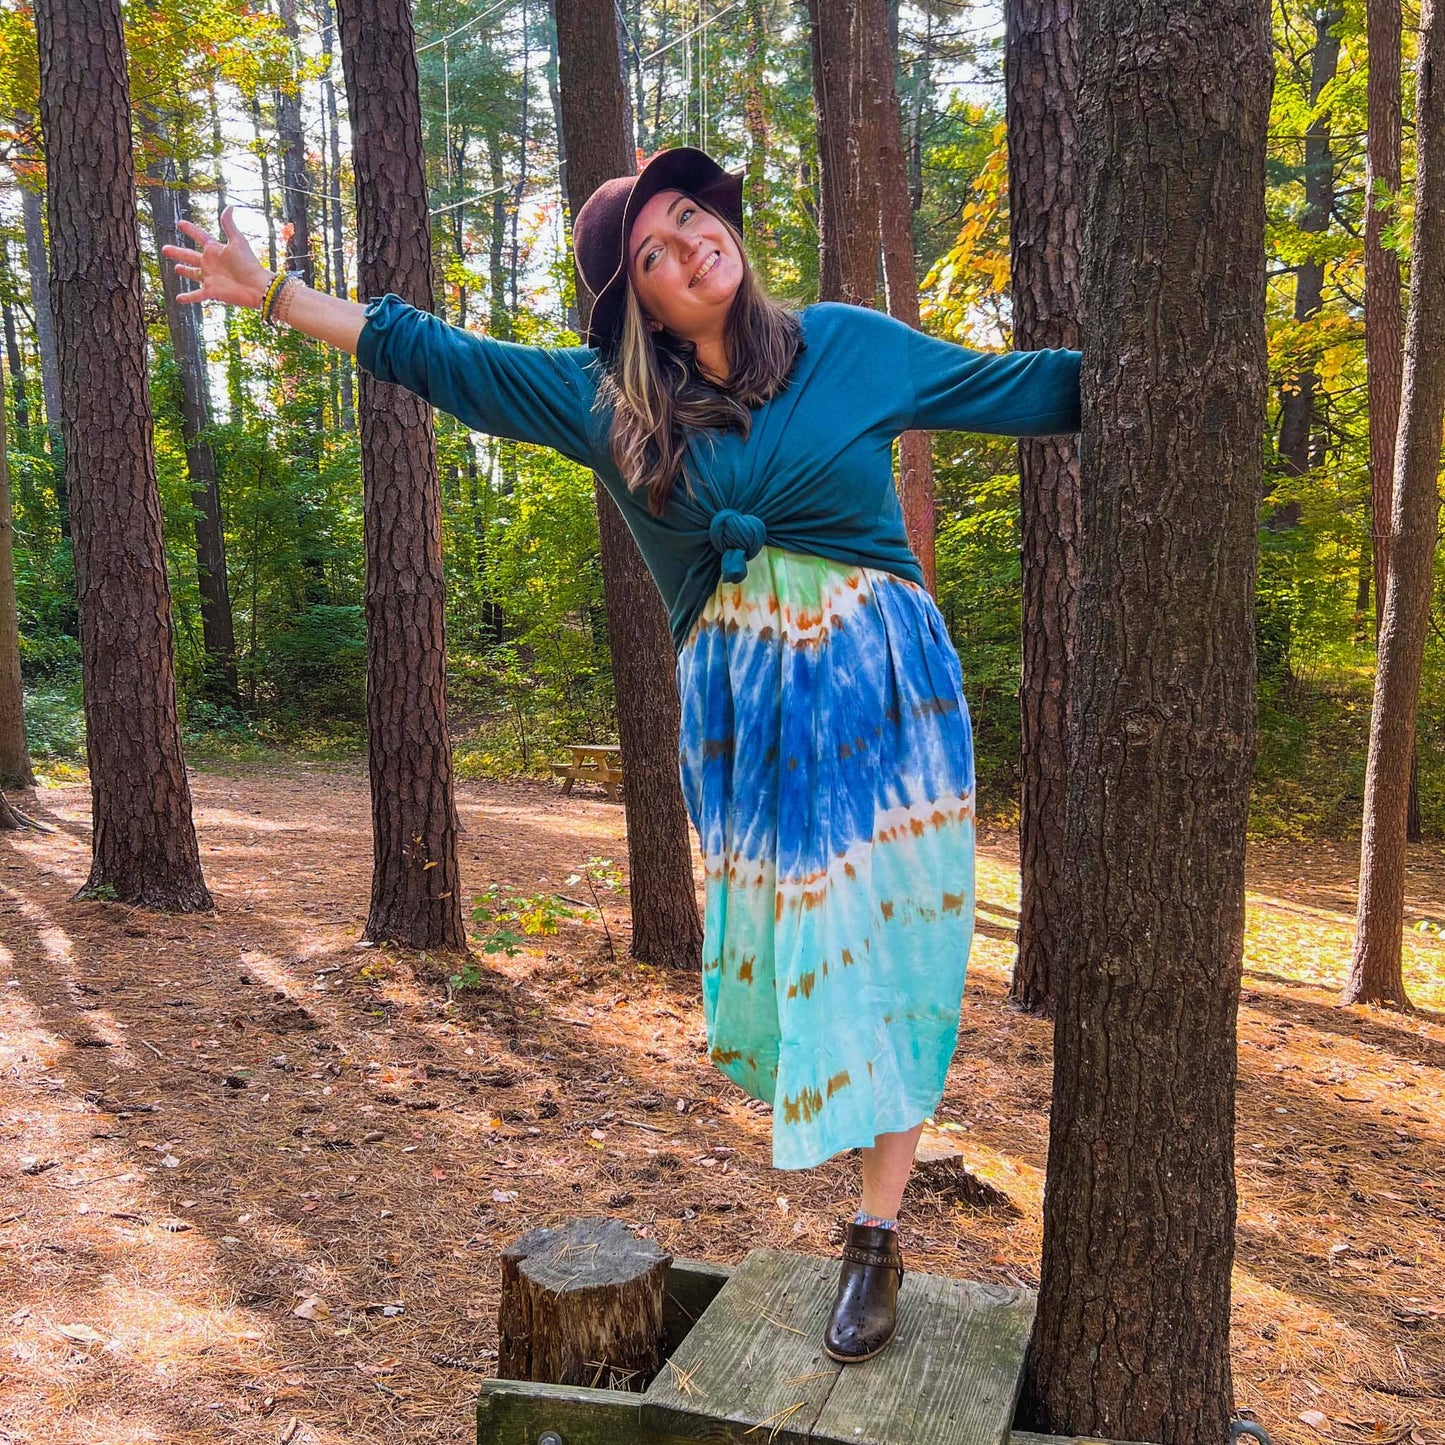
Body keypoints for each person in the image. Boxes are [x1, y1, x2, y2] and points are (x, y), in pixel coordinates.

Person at [164, 145, 1080, 1364]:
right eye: (652, 250)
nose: (688, 245)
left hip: (883, 691)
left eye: (692, 218)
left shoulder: (850, 344)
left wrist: (1183, 350)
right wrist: (273, 293)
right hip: (745, 719)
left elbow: (1021, 388)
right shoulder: (607, 402)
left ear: (725, 227)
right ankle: (858, 1209)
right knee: (808, 949)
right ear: (636, 297)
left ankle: (874, 1230)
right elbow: (441, 359)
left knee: (895, 946)